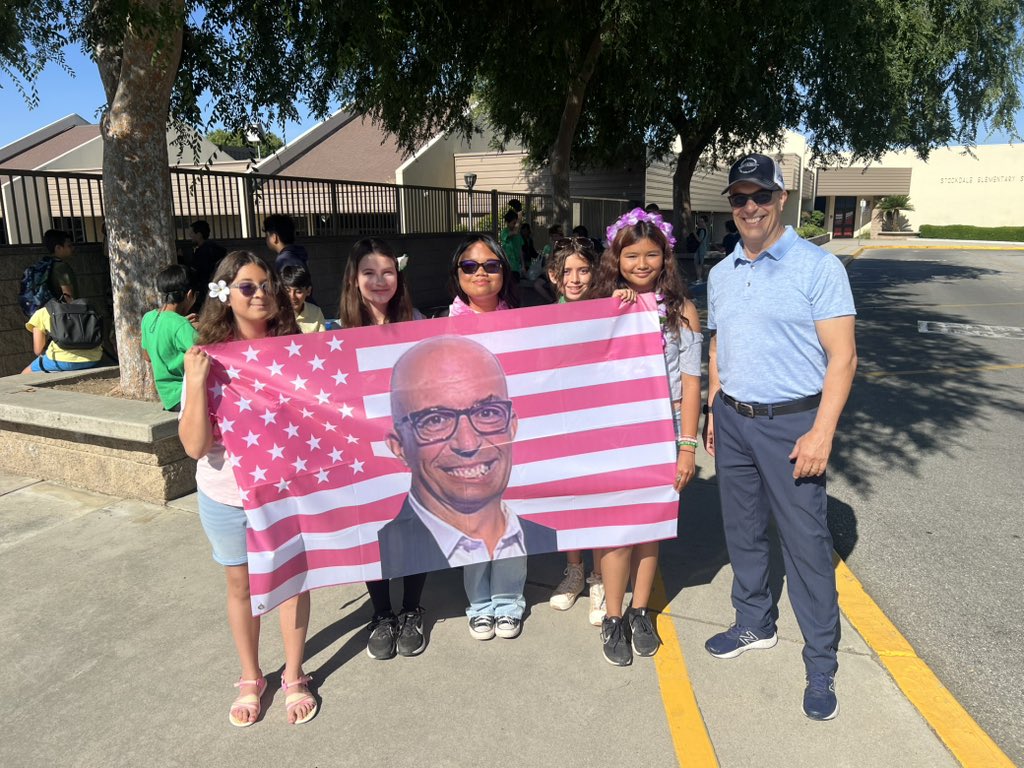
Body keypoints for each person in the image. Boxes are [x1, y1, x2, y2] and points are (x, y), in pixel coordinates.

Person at [704, 153, 857, 721]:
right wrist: (715, 405)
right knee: (742, 531)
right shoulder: (722, 273)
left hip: (793, 424)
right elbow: (719, 345)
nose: (749, 208)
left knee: (807, 547)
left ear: (780, 199)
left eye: (759, 196)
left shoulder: (817, 268)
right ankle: (753, 622)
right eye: (739, 198)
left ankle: (821, 662)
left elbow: (842, 359)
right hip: (735, 421)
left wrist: (822, 433)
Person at [178, 251, 317, 727]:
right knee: (240, 586)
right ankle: (250, 676)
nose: (260, 294)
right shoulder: (206, 360)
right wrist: (196, 385)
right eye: (247, 286)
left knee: (293, 583)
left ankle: (295, 675)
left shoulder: (295, 353)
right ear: (225, 294)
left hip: (286, 494)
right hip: (226, 496)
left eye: (266, 285)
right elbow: (195, 446)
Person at [381, 332, 557, 640]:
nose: (468, 443)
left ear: (512, 425)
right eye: (435, 419)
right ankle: (479, 604)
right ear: (399, 446)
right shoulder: (385, 541)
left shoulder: (544, 531)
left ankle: (508, 602)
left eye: (487, 413)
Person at [590, 207, 702, 666]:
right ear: (615, 259)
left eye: (651, 255)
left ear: (665, 257)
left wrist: (688, 446)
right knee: (617, 528)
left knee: (651, 527)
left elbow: (693, 381)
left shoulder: (683, 311)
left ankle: (640, 610)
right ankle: (613, 615)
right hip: (615, 428)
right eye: (630, 255)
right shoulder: (602, 309)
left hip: (667, 424)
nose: (640, 264)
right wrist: (609, 315)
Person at [337, 238, 427, 660]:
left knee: (413, 530)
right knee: (372, 532)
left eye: (388, 272)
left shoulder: (418, 323)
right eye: (369, 273)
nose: (379, 281)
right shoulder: (334, 336)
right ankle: (381, 613)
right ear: (354, 280)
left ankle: (411, 609)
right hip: (364, 457)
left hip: (412, 450)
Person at [543, 235, 607, 624]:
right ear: (553, 276)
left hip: (599, 420)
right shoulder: (542, 318)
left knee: (598, 498)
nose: (576, 278)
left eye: (584, 270)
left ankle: (601, 577)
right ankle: (574, 571)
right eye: (567, 271)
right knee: (568, 501)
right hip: (560, 421)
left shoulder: (608, 310)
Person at [140, 265, 197, 411]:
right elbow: (207, 357)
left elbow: (147, 356)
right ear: (190, 294)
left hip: (168, 397)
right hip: (187, 395)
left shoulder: (148, 318)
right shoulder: (181, 325)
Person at [263, 214, 312, 285]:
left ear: (274, 237)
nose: (266, 239)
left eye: (267, 235)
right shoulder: (298, 253)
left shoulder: (283, 260)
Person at [189, 220, 227, 306]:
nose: (190, 236)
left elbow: (197, 272)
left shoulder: (201, 252)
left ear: (199, 234)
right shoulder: (218, 249)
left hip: (205, 289)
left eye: (192, 233)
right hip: (219, 286)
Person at [281, 264, 325, 333]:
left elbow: (323, 339)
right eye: (287, 291)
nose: (292, 296)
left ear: (308, 291)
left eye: (298, 292)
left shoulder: (315, 312)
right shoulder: (276, 315)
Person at [42, 228, 78, 302]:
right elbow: (69, 296)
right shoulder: (61, 267)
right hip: (63, 311)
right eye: (69, 246)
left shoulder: (46, 265)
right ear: (58, 248)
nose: (73, 248)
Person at [498, 210, 524, 278]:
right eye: (514, 223)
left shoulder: (518, 235)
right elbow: (514, 232)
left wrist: (523, 266)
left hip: (516, 267)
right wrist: (519, 218)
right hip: (507, 266)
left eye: (516, 223)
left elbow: (520, 251)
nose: (516, 225)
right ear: (507, 222)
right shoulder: (504, 232)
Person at [694, 215, 710, 284]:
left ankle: (699, 278)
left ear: (705, 222)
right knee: (698, 264)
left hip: (700, 249)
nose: (700, 223)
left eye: (701, 221)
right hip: (701, 249)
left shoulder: (703, 230)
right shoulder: (705, 230)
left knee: (698, 264)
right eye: (699, 221)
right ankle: (699, 278)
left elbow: (699, 240)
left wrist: (694, 233)